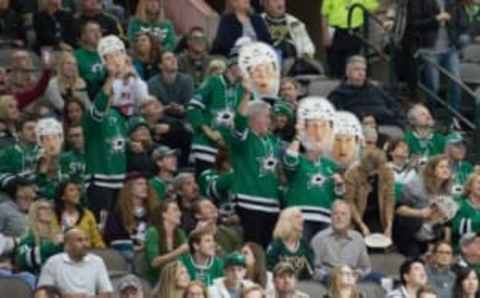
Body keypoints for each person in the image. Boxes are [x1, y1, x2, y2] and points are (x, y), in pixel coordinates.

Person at [228, 89, 282, 248]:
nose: (269, 121)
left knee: (266, 252)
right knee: (252, 250)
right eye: (267, 116)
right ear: (254, 118)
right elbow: (239, 120)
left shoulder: (272, 141)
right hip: (249, 204)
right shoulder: (244, 139)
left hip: (271, 205)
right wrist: (246, 93)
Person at [283, 106, 344, 240]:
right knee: (301, 254)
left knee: (321, 257)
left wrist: (339, 185)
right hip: (300, 216)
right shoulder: (299, 160)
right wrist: (298, 136)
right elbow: (289, 160)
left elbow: (337, 196)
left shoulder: (330, 165)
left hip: (325, 218)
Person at [187, 48, 244, 174]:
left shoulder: (245, 90)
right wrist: (209, 132)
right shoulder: (213, 81)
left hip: (229, 149)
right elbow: (193, 107)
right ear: (232, 65)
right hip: (206, 145)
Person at [409, 0, 468, 113]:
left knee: (456, 82)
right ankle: (431, 114)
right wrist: (436, 19)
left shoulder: (452, 2)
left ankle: (453, 117)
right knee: (433, 87)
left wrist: (455, 34)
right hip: (429, 49)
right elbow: (414, 24)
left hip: (450, 48)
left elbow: (462, 22)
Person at [394, 155, 453, 257]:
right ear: (432, 170)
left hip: (433, 235)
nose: (446, 170)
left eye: (447, 167)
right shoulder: (415, 185)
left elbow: (447, 222)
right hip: (411, 234)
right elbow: (399, 209)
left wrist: (446, 242)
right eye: (442, 167)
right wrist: (420, 213)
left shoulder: (446, 191)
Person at [327, 55, 406, 130]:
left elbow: (395, 106)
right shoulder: (339, 94)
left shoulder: (375, 89)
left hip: (390, 123)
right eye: (357, 69)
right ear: (347, 72)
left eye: (363, 70)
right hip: (362, 128)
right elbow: (336, 117)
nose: (361, 73)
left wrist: (398, 119)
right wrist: (361, 118)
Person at [37, 228, 113, 297]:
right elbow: (42, 293)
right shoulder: (53, 262)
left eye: (86, 240)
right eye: (79, 240)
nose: (85, 244)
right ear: (67, 245)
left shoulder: (97, 261)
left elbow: (106, 293)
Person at [310, 200, 372, 282]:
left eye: (343, 214)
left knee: (382, 279)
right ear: (331, 217)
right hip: (329, 279)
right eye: (335, 214)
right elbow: (314, 269)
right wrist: (331, 277)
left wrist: (357, 274)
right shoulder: (319, 238)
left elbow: (366, 267)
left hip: (353, 279)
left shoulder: (358, 238)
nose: (339, 217)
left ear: (349, 218)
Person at [344, 148, 395, 237]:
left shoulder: (387, 172)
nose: (380, 171)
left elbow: (389, 199)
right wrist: (361, 224)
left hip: (377, 213)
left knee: (377, 240)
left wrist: (389, 224)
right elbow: (349, 201)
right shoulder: (352, 174)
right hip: (357, 214)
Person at [104, 173, 158, 257]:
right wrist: (132, 247)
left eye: (146, 184)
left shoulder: (153, 212)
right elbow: (113, 237)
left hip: (150, 253)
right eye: (139, 184)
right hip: (125, 254)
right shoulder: (117, 213)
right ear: (129, 188)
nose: (145, 187)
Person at [321, 0, 379, 78]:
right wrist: (326, 34)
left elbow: (374, 8)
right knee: (335, 65)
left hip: (354, 32)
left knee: (353, 64)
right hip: (335, 31)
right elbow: (324, 14)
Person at [145, 199, 188, 285]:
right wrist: (178, 251)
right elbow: (154, 262)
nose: (179, 213)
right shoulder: (153, 232)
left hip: (177, 278)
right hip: (157, 280)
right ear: (164, 214)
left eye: (179, 210)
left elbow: (186, 258)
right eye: (175, 210)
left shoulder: (180, 233)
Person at [16, 199, 63, 274]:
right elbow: (22, 260)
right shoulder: (29, 236)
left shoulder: (58, 235)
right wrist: (52, 245)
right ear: (35, 212)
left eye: (50, 208)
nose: (48, 210)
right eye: (43, 208)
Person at [266, 208, 314, 280]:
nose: (302, 220)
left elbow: (311, 271)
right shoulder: (275, 246)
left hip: (302, 286)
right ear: (287, 221)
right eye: (298, 217)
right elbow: (269, 270)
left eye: (302, 217)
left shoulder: (305, 245)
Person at [53, 180, 104, 247]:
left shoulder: (88, 214)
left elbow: (97, 240)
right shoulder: (54, 215)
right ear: (63, 196)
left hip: (86, 253)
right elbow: (52, 238)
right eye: (71, 190)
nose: (77, 193)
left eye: (77, 190)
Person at [148, 51, 194, 118]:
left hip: (184, 119)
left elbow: (190, 106)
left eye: (174, 57)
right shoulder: (152, 83)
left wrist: (180, 108)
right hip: (162, 119)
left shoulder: (187, 80)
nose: (173, 60)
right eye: (168, 58)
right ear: (160, 65)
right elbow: (153, 109)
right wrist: (167, 108)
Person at [0, 117, 39, 190]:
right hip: (14, 194)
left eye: (37, 129)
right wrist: (19, 182)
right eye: (30, 129)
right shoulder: (7, 153)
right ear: (19, 133)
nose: (35, 132)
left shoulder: (45, 151)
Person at [74, 20, 105, 99]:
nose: (97, 34)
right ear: (83, 36)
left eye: (99, 31)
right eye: (92, 31)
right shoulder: (76, 56)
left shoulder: (108, 53)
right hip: (87, 97)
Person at [452, 173, 480, 248]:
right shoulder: (458, 203)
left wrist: (471, 222)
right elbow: (457, 228)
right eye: (479, 183)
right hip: (459, 250)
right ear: (469, 186)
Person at [386, 139, 416, 203]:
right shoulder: (384, 168)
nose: (405, 149)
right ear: (391, 152)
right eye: (401, 146)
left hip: (410, 204)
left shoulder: (414, 170)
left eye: (407, 148)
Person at [444, 132, 473, 196]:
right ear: (447, 148)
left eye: (463, 145)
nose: (462, 149)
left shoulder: (468, 167)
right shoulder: (438, 167)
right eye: (457, 146)